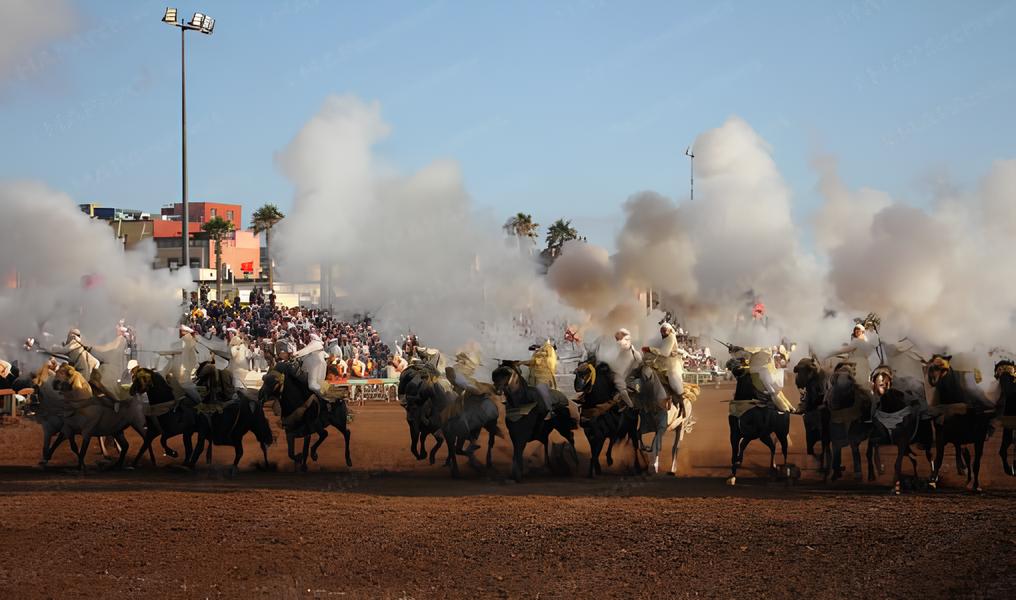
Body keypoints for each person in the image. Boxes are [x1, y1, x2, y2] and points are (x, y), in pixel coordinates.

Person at [642, 322, 688, 400]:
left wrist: (650, 349)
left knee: (673, 377)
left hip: (670, 363)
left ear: (669, 330)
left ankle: (680, 396)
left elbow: (665, 352)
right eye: (662, 331)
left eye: (664, 330)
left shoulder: (670, 337)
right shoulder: (665, 338)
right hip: (664, 361)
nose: (663, 332)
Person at [603, 328, 642, 408]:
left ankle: (632, 406)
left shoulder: (632, 349)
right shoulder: (615, 348)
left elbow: (639, 360)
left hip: (632, 374)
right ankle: (631, 406)